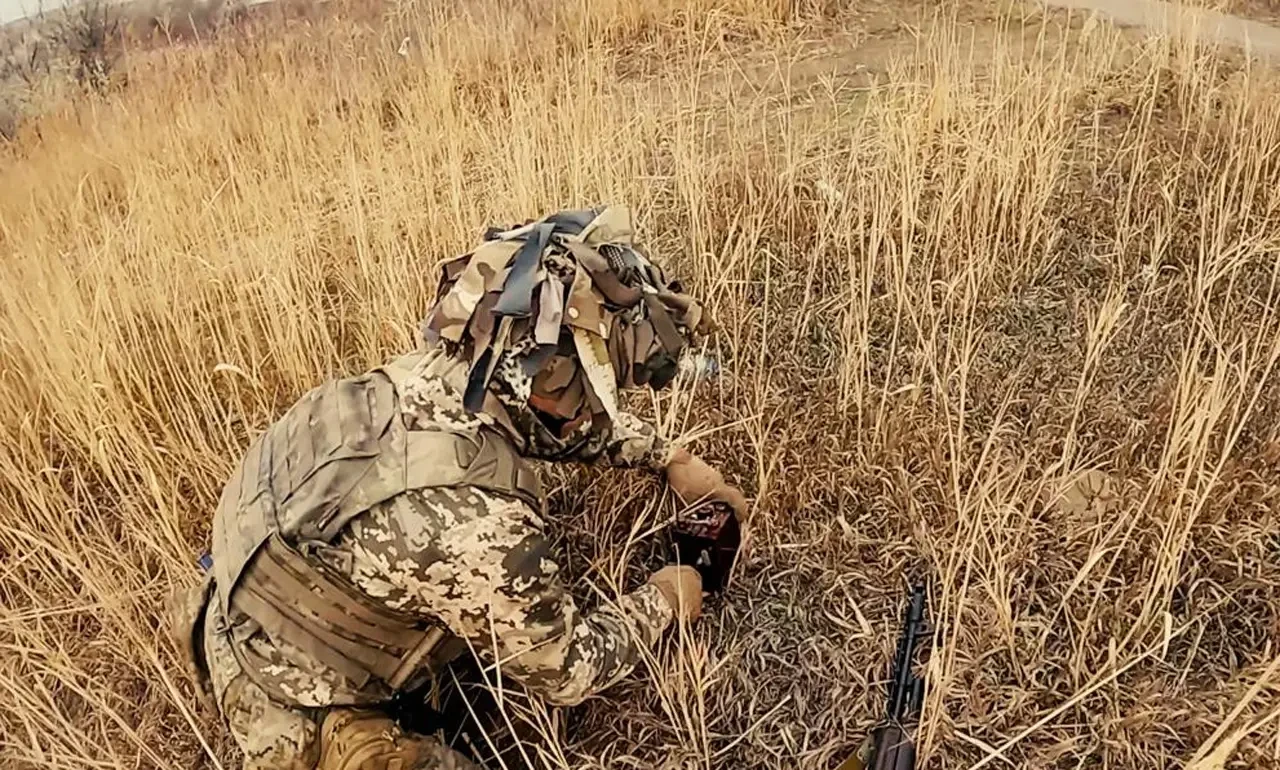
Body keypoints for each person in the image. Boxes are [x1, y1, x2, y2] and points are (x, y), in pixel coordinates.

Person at [167, 205, 749, 770]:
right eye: (604, 386)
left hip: (252, 603)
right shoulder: (480, 527)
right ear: (554, 377)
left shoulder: (430, 377)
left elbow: (537, 421)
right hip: (289, 698)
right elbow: (567, 670)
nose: (607, 402)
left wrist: (666, 456)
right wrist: (667, 598)